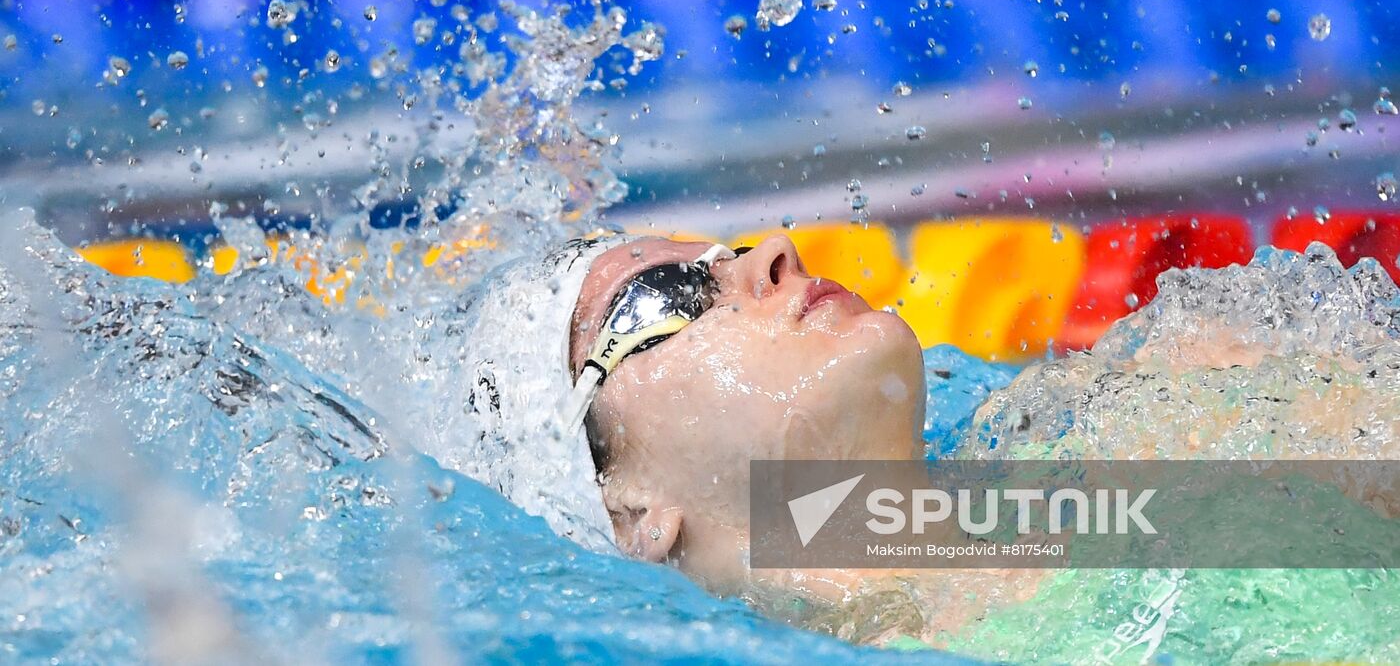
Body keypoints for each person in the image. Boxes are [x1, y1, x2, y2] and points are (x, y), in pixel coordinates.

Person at [459, 231, 1398, 662]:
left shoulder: (1175, 405)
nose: (773, 255)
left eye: (725, 253)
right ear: (628, 512)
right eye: (667, 296)